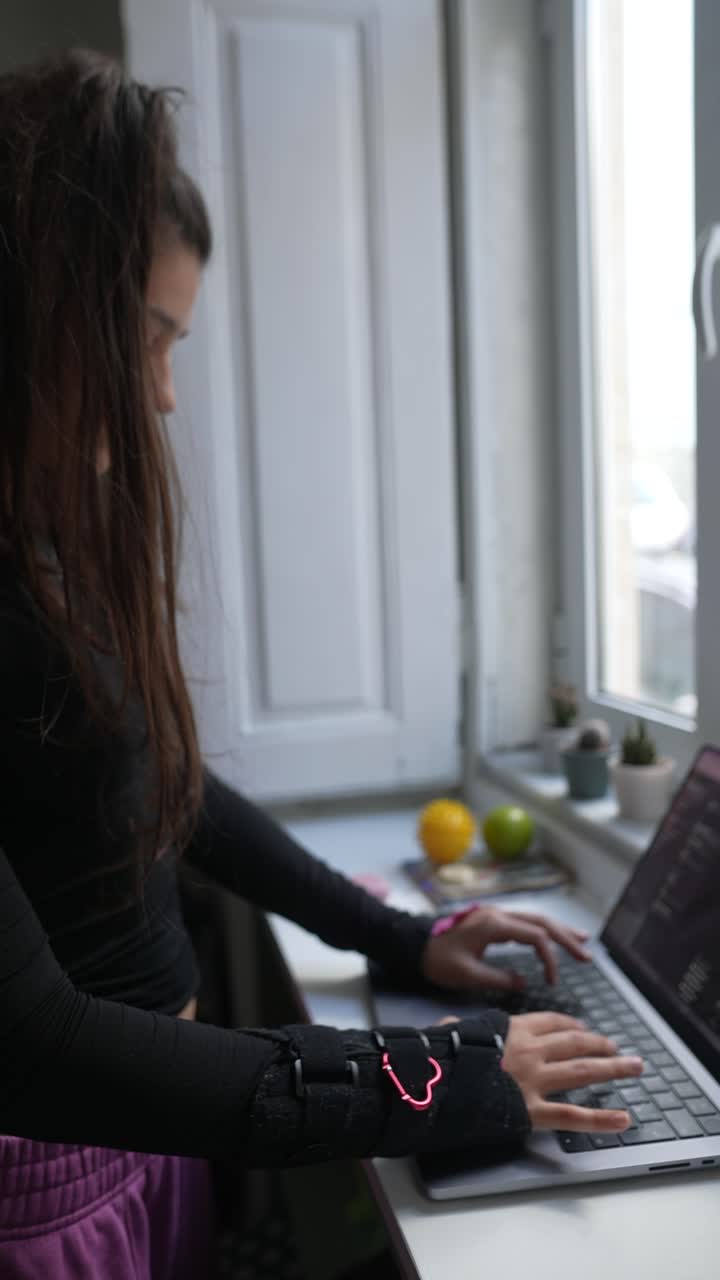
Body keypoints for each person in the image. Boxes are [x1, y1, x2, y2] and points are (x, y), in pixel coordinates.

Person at [0, 50, 644, 1279]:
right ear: (41, 312)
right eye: (147, 340)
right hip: (47, 1189)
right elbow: (32, 1040)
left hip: (150, 1144)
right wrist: (443, 1078)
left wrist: (401, 937)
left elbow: (163, 785)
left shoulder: (41, 539)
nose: (165, 398)